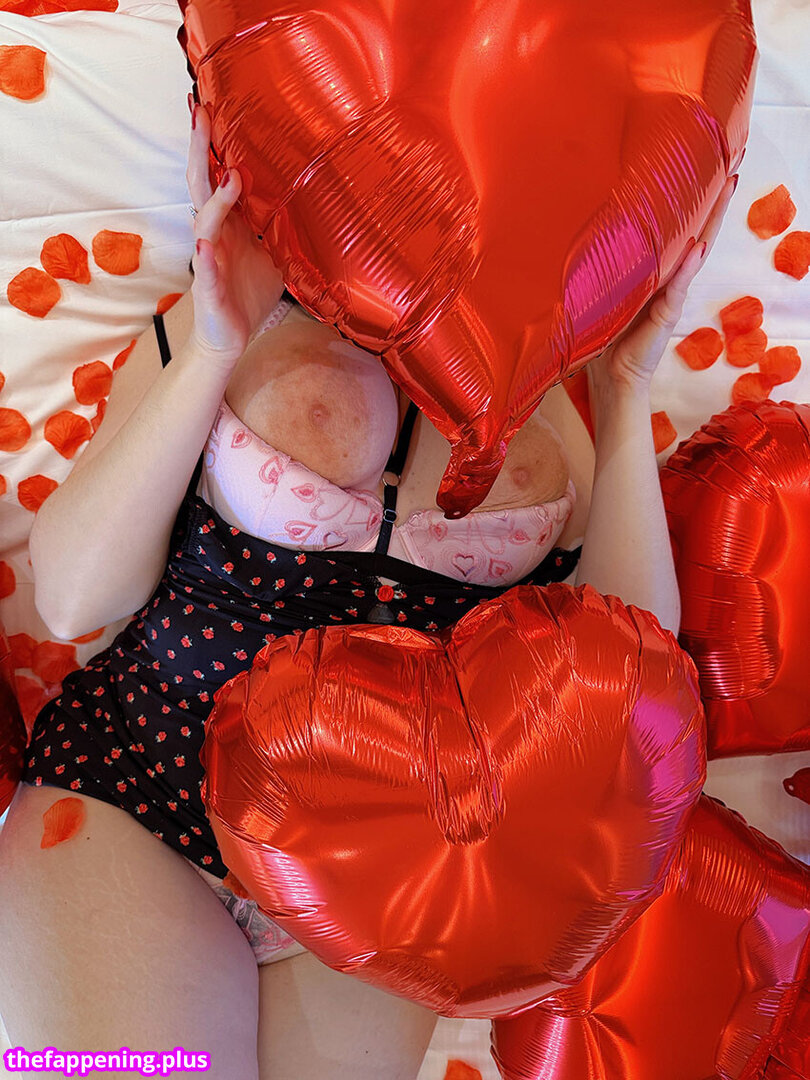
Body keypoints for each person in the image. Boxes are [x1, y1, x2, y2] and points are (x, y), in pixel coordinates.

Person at [0, 100, 737, 1080]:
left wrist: (626, 384)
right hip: (143, 789)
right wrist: (214, 347)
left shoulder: (557, 392)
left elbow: (632, 679)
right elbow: (71, 600)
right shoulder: (235, 305)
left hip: (388, 865)